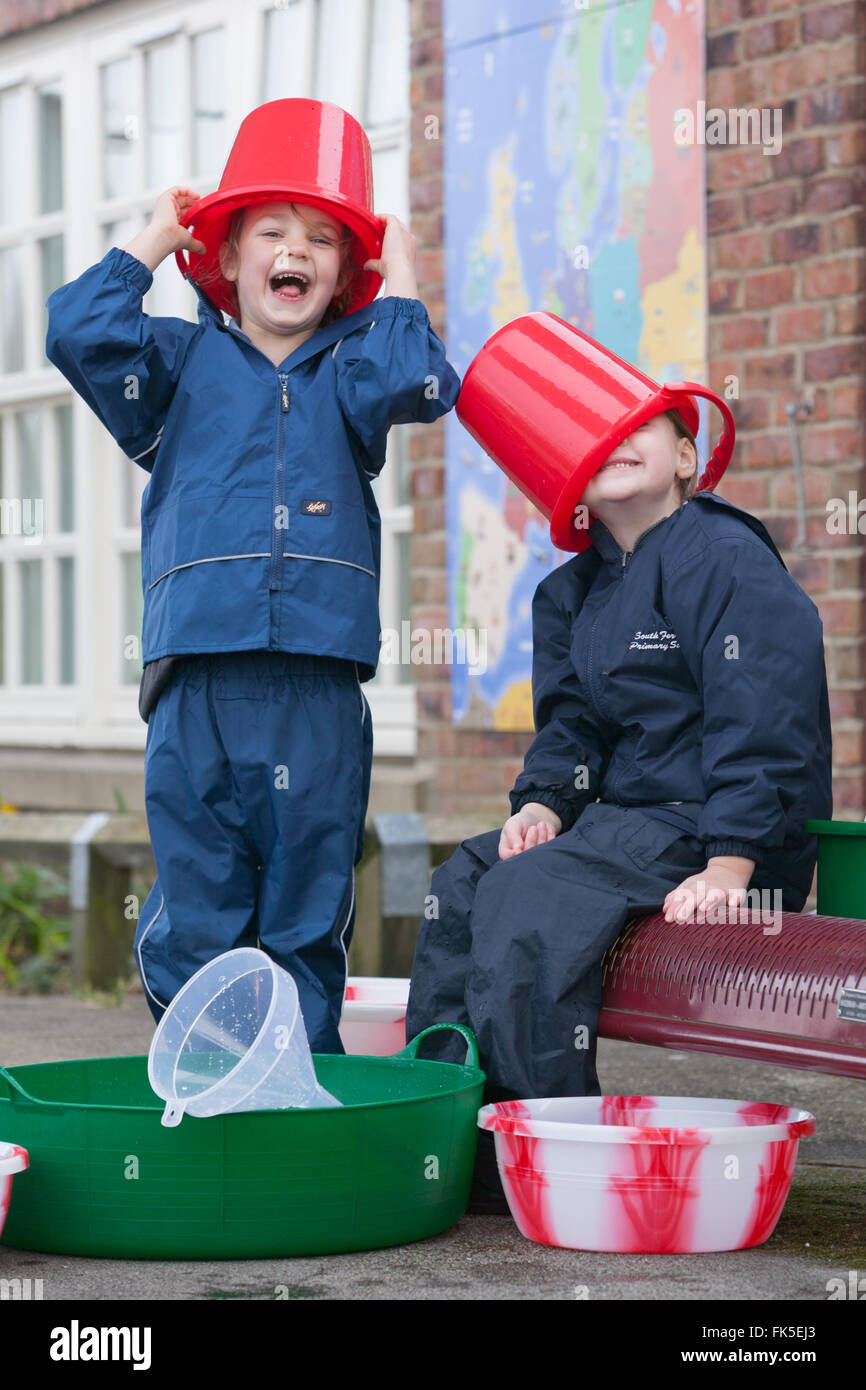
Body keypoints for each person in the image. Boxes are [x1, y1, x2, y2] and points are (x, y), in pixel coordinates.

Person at [45, 101, 460, 1052]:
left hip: (317, 683)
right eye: (270, 231)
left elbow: (423, 381)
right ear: (225, 260)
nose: (295, 250)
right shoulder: (177, 363)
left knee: (306, 917)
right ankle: (209, 1082)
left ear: (344, 276)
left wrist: (396, 277)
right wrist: (155, 238)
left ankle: (298, 1097)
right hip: (197, 678)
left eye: (322, 239)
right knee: (198, 910)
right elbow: (79, 332)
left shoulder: (355, 373)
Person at [406, 404, 832, 1209]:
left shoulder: (723, 558)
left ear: (685, 459)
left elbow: (766, 711)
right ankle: (453, 1140)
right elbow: (571, 728)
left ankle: (555, 1156)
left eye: (644, 428)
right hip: (626, 827)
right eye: (595, 440)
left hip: (727, 827)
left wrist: (733, 859)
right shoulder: (571, 593)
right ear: (570, 486)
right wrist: (543, 808)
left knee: (531, 898)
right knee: (461, 882)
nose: (618, 444)